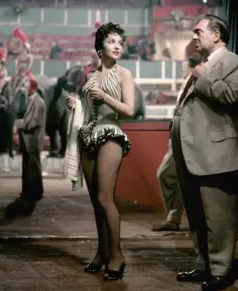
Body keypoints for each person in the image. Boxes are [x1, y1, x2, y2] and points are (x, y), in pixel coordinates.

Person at [171, 15, 238, 291]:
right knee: (196, 213)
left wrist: (203, 77)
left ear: (216, 35)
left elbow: (230, 95)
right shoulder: (199, 65)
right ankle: (203, 265)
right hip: (191, 152)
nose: (194, 36)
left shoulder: (234, 63)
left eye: (199, 31)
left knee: (219, 217)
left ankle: (222, 270)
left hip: (216, 153)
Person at [64, 22, 135, 281]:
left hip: (111, 135)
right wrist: (77, 103)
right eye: (111, 42)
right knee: (96, 203)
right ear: (99, 48)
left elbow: (129, 110)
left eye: (120, 43)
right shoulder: (91, 77)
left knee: (106, 199)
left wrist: (104, 97)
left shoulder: (124, 74)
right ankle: (102, 252)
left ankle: (117, 256)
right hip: (88, 136)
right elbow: (87, 107)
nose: (117, 46)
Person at [151, 53, 203, 232]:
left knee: (166, 174)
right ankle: (174, 218)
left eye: (184, 66)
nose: (181, 68)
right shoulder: (186, 83)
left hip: (185, 137)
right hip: (178, 135)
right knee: (176, 176)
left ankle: (176, 218)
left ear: (192, 67)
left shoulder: (196, 82)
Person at [7, 77, 46, 217]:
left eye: (26, 85)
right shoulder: (30, 100)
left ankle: (34, 193)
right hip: (27, 141)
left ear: (33, 87)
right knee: (28, 167)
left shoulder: (38, 102)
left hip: (33, 141)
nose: (24, 87)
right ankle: (28, 191)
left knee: (33, 168)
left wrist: (17, 124)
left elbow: (32, 122)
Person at [11, 27, 34, 93]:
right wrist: (18, 71)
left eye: (24, 47)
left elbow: (29, 66)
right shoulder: (19, 56)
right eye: (22, 47)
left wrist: (24, 72)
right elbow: (17, 64)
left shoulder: (30, 57)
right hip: (19, 73)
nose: (22, 48)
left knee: (32, 82)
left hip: (26, 73)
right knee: (12, 83)